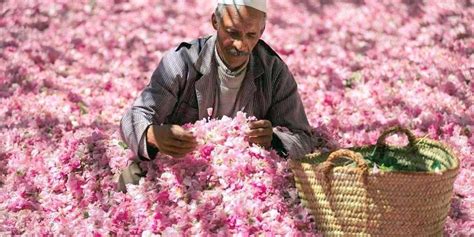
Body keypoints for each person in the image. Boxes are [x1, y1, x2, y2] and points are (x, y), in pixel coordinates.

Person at [117, 0, 315, 192]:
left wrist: (273, 139)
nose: (241, 44)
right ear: (215, 22)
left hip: (243, 180)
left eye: (251, 35)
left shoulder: (273, 71)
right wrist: (152, 135)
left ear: (261, 32)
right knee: (132, 180)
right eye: (232, 33)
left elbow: (302, 137)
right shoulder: (183, 61)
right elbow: (135, 115)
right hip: (183, 170)